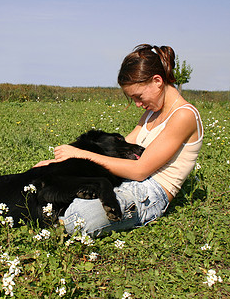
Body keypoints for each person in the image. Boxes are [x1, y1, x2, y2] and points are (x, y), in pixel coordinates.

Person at [34, 44, 203, 237]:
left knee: (79, 216)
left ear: (157, 81)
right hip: (123, 180)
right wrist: (58, 164)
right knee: (48, 182)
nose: (138, 104)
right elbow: (117, 152)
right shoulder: (151, 112)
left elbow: (140, 171)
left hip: (150, 193)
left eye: (138, 97)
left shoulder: (183, 116)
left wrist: (80, 154)